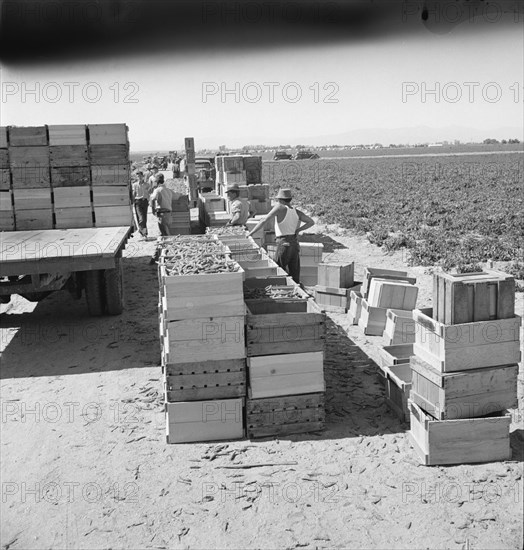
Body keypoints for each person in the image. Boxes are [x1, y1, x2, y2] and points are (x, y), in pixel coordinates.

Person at [247, 188, 314, 284]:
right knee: (294, 273)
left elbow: (263, 220)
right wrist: (298, 230)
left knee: (278, 271)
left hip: (284, 243)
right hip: (294, 244)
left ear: (281, 200)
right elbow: (311, 222)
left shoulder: (280, 207)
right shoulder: (296, 211)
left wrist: (251, 233)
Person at [149, 173, 173, 264]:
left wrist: (153, 210)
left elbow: (151, 199)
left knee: (166, 236)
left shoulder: (158, 190)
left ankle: (169, 255)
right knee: (162, 235)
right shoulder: (168, 190)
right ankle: (155, 257)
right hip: (169, 215)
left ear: (157, 181)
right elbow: (177, 196)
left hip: (162, 215)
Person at [132, 171, 150, 238]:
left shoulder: (147, 185)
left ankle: (143, 233)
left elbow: (149, 193)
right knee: (141, 218)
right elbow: (134, 194)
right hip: (138, 202)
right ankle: (143, 233)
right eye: (137, 176)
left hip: (145, 202)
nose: (139, 177)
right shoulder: (135, 185)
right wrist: (132, 202)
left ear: (142, 176)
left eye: (140, 176)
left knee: (144, 218)